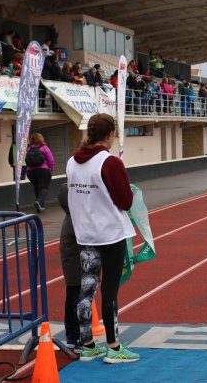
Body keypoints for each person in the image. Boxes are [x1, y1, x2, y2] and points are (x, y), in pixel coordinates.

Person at [66, 113, 139, 364]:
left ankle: (87, 345)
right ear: (109, 135)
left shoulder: (71, 162)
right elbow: (125, 200)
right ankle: (114, 347)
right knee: (109, 290)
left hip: (85, 234)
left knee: (86, 288)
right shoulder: (109, 163)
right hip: (109, 234)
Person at [57, 183, 82, 353]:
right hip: (75, 264)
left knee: (74, 298)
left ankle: (74, 336)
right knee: (75, 299)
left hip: (74, 263)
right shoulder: (76, 219)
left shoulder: (73, 216)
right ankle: (74, 336)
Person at [26, 133, 55, 212]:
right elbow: (50, 159)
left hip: (30, 172)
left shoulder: (29, 149)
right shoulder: (44, 148)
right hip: (43, 170)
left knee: (37, 187)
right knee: (43, 188)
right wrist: (51, 168)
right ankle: (38, 202)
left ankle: (39, 206)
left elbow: (27, 160)